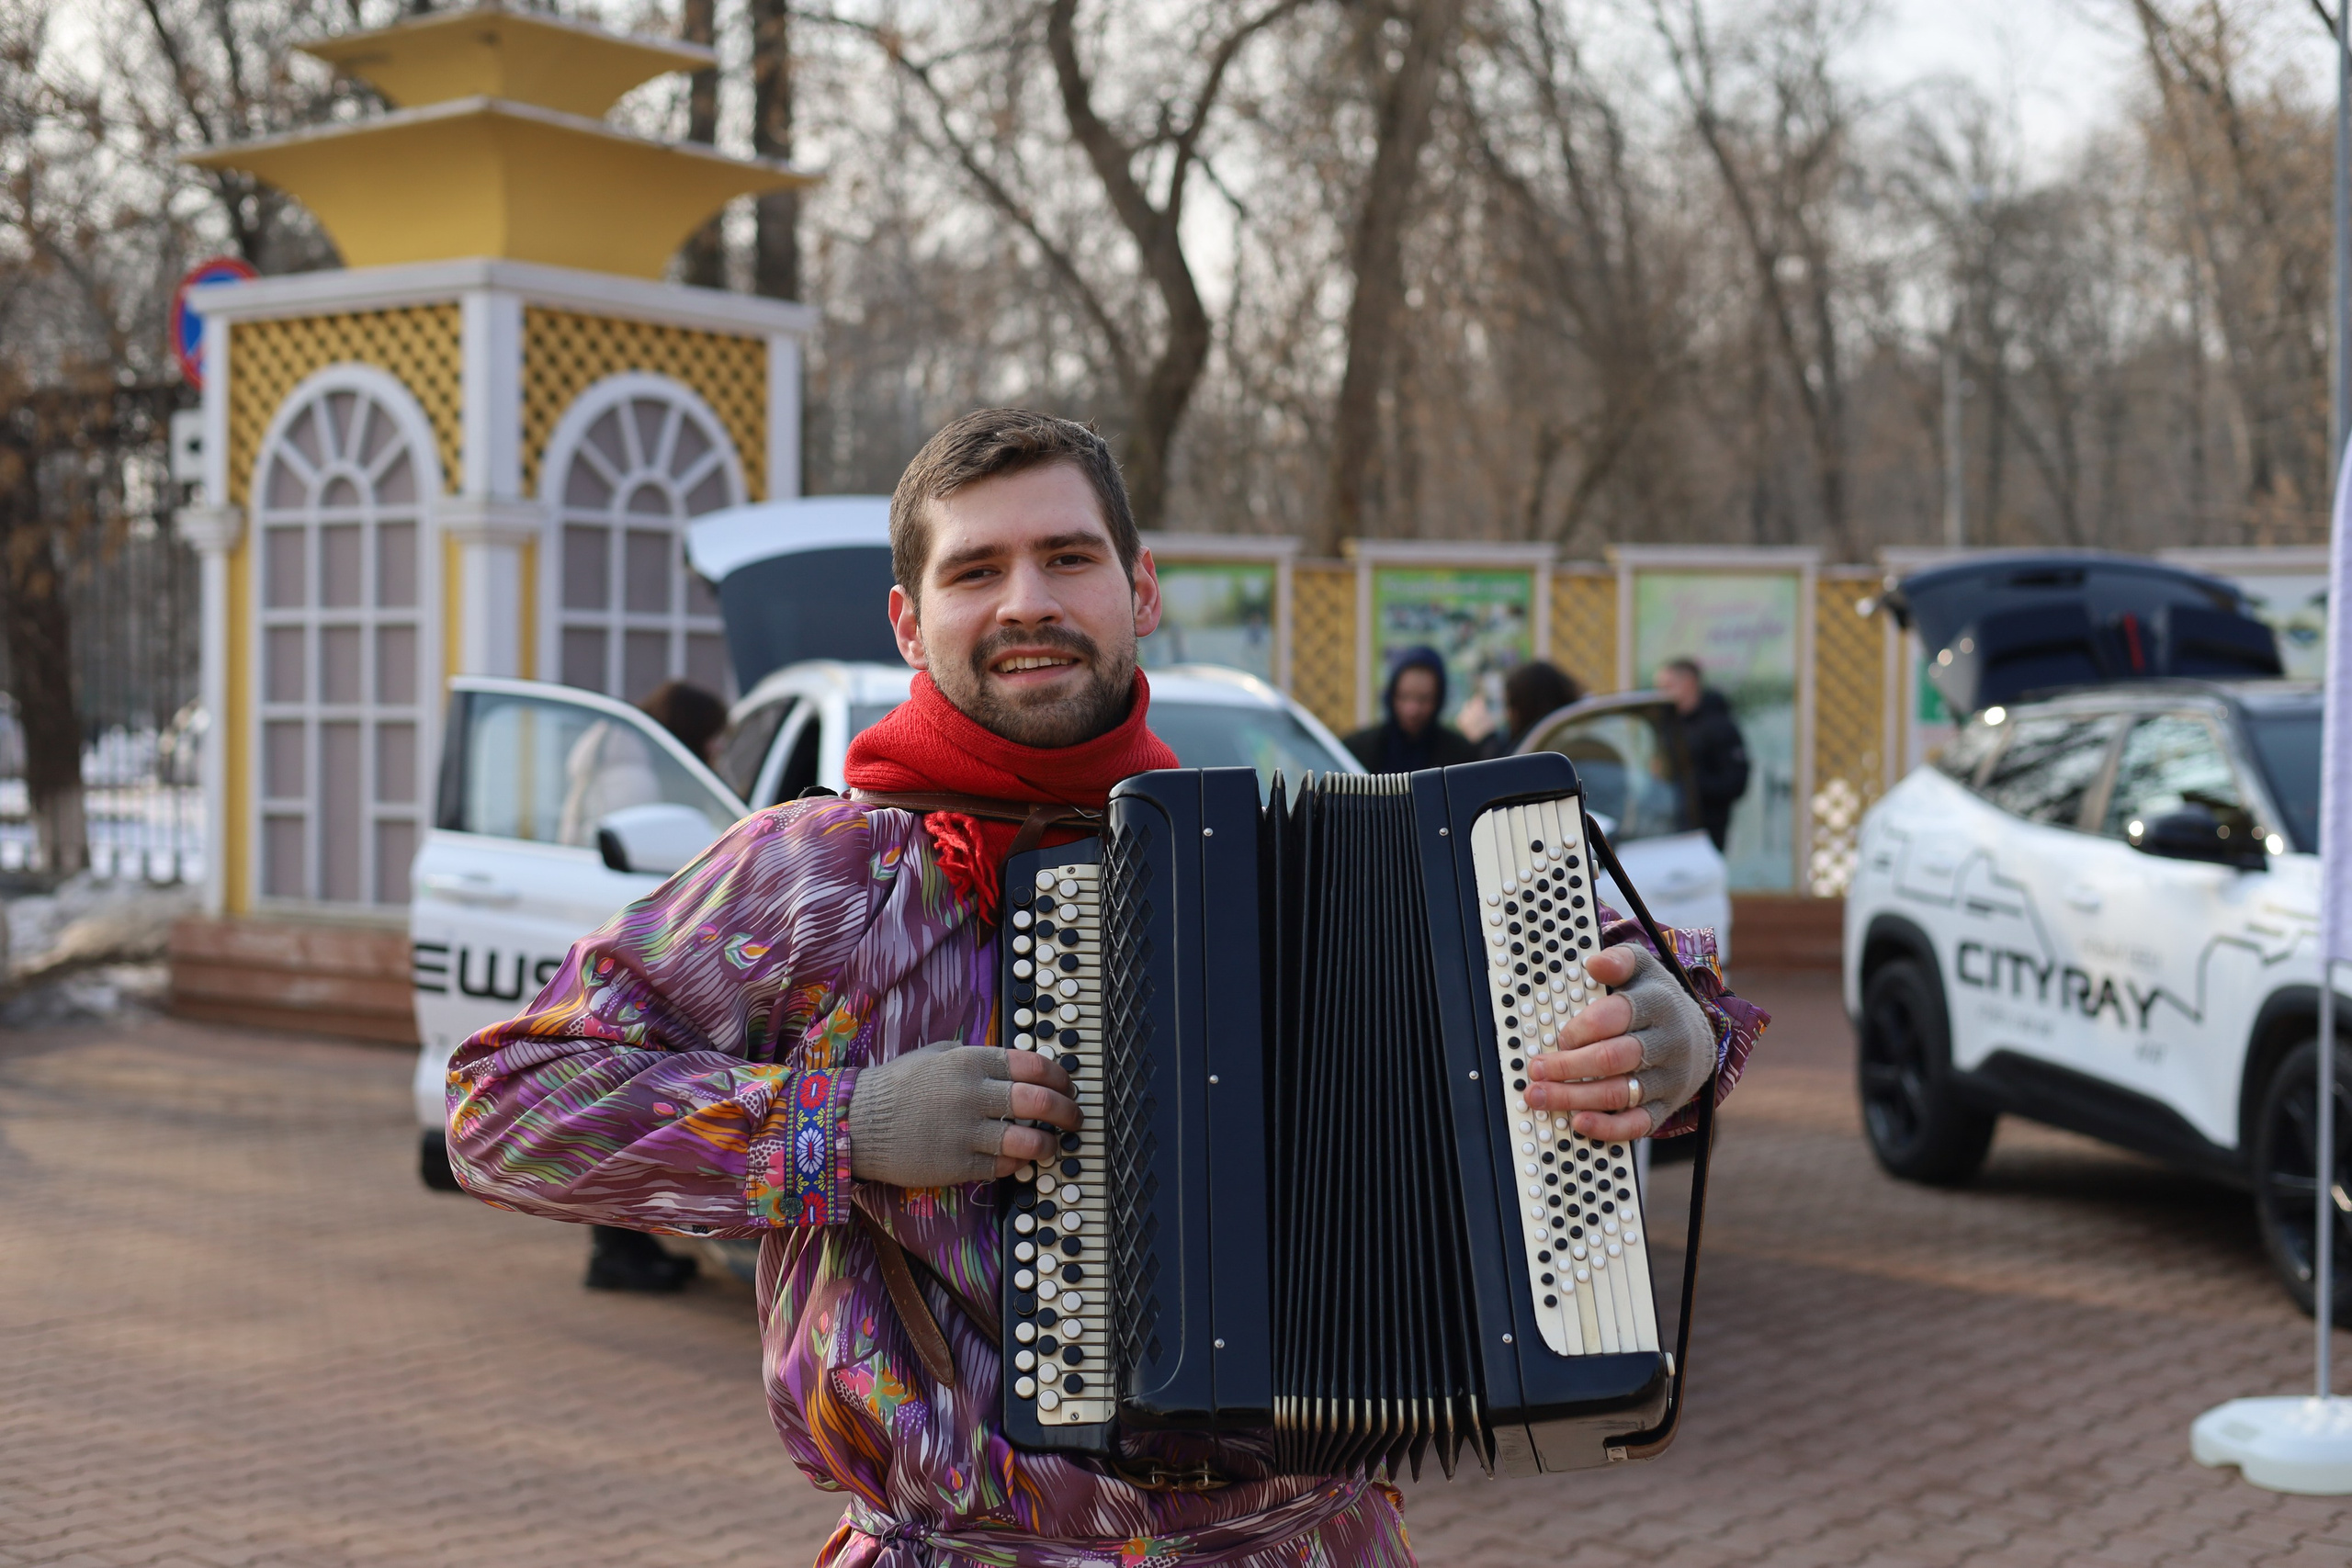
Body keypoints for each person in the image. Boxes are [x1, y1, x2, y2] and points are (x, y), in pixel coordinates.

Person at [447, 409, 1767, 1567]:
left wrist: (1678, 1039)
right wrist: (835, 1130)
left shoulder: (1316, 852)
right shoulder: (819, 873)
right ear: (911, 620)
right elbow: (503, 1105)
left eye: (1067, 557)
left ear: (1140, 589)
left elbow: (1650, 989)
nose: (1027, 598)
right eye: (977, 568)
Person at [579, 678, 736, 1292]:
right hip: (639, 960)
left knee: (613, 1094)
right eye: (714, 738)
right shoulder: (637, 785)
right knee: (624, 1099)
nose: (719, 750)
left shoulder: (613, 762)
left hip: (614, 954)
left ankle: (618, 1245)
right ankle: (616, 1251)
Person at [1655, 657, 1750, 852]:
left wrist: (1688, 784)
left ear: (1689, 684)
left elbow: (1735, 783)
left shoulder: (1719, 726)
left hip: (1707, 831)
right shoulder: (1669, 725)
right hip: (1669, 828)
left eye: (1668, 686)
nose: (1661, 694)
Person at [1342, 645, 1483, 773]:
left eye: (1423, 699)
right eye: (1404, 697)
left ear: (1438, 700)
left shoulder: (1461, 757)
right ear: (1392, 696)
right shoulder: (1356, 750)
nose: (1412, 710)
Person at [1480, 659, 1586, 758]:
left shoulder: (1530, 749)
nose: (1507, 714)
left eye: (1509, 705)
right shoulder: (1580, 734)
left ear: (1522, 709)